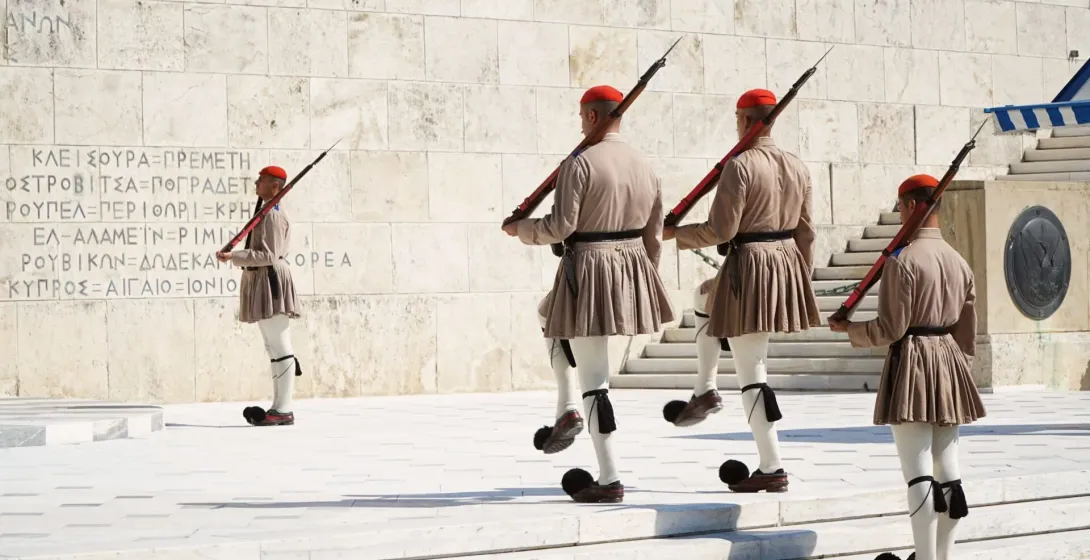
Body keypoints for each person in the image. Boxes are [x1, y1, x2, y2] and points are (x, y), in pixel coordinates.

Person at [502, 84, 675, 504]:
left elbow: (561, 227)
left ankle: (609, 475)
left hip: (590, 269)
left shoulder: (579, 163)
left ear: (593, 117)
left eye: (582, 117)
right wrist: (644, 278)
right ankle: (565, 408)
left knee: (594, 379)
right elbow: (654, 233)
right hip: (631, 266)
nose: (580, 125)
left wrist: (521, 230)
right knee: (549, 317)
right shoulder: (644, 164)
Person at [660, 88, 822, 493]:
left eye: (737, 119)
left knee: (753, 371)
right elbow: (807, 231)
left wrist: (675, 234)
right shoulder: (798, 166)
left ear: (747, 122)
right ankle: (705, 387)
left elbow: (722, 230)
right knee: (703, 298)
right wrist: (800, 275)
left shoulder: (740, 165)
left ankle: (772, 466)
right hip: (784, 262)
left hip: (750, 264)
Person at [828, 174, 986, 560]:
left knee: (918, 472)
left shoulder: (903, 261)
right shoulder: (958, 261)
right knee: (949, 472)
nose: (899, 215)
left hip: (914, 360)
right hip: (948, 360)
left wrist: (850, 329)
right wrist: (955, 369)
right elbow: (967, 332)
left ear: (913, 206)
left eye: (900, 207)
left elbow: (890, 328)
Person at [216, 165, 302, 427]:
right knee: (272, 347)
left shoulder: (274, 216)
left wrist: (235, 256)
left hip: (271, 281)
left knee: (280, 345)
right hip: (261, 280)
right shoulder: (266, 211)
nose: (256, 183)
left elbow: (269, 255)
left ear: (275, 186)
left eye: (261, 181)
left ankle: (284, 408)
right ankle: (277, 407)